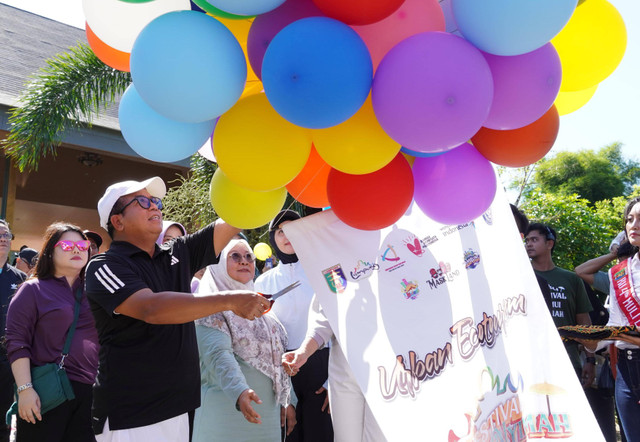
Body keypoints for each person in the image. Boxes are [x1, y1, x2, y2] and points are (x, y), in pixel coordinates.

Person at [84, 177, 270, 441]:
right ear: (118, 221)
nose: (155, 207)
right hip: (132, 413)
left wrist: (265, 181)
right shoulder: (104, 266)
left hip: (178, 408)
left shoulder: (177, 252)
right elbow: (151, 309)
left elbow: (236, 216)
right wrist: (230, 299)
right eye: (143, 201)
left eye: (156, 201)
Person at [193, 239, 295, 441]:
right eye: (235, 256)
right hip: (227, 414)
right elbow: (218, 356)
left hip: (267, 419)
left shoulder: (265, 313)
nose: (244, 261)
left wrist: (289, 400)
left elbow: (277, 362)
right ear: (218, 264)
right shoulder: (210, 306)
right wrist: (239, 392)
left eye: (249, 257)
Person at [5, 223, 99, 441]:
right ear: (49, 251)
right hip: (48, 391)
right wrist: (25, 389)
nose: (77, 250)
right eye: (67, 245)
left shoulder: (94, 291)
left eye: (82, 244)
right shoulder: (33, 288)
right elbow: (16, 342)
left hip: (88, 392)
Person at [255, 210, 333, 442]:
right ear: (273, 238)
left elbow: (340, 324)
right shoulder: (262, 282)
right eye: (280, 231)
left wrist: (335, 381)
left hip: (322, 367)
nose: (287, 235)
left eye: (293, 229)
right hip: (283, 369)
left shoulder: (324, 271)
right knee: (289, 436)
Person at [573, 196, 640, 440]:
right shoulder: (619, 273)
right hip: (625, 369)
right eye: (630, 219)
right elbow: (615, 324)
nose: (633, 225)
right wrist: (593, 342)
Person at [283, 297, 386, 442]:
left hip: (388, 373)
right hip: (345, 374)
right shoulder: (333, 275)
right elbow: (323, 320)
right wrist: (304, 352)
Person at [525, 223, 595, 385]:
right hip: (530, 358)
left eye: (534, 239)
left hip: (568, 357)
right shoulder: (521, 276)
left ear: (550, 243)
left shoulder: (571, 279)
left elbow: (584, 322)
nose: (529, 244)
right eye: (527, 240)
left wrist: (590, 360)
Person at [0, 220, 27, 442]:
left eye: (7, 235)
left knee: (3, 418)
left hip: (7, 360)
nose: (3, 239)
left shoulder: (20, 279)